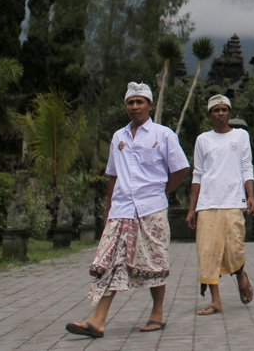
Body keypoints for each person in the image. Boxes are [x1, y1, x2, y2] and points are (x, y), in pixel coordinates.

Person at [65, 82, 190, 339]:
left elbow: (181, 169)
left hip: (152, 208)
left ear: (149, 105)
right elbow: (112, 174)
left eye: (140, 102)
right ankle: (98, 320)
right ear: (126, 106)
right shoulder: (118, 137)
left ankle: (157, 312)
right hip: (121, 209)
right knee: (111, 262)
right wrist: (109, 207)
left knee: (155, 261)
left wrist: (162, 191)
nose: (135, 107)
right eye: (131, 103)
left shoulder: (163, 134)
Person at [186, 94, 254, 315]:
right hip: (207, 203)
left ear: (230, 113)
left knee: (235, 248)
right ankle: (216, 301)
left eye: (224, 110)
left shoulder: (241, 136)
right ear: (210, 115)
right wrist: (191, 209)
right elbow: (197, 174)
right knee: (208, 252)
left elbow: (247, 167)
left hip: (234, 200)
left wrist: (251, 195)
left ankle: (240, 275)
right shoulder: (203, 139)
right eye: (215, 110)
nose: (220, 114)